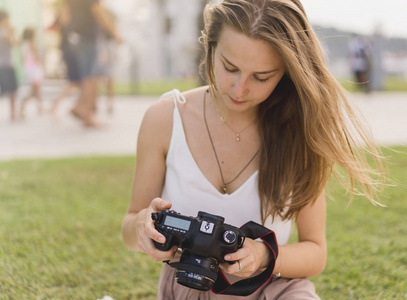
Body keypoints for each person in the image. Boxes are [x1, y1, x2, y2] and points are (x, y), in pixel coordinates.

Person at [121, 0, 386, 299]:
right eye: (229, 67)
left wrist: (265, 256)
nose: (239, 89)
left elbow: (316, 252)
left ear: (286, 72)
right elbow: (130, 225)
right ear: (210, 48)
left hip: (274, 288)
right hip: (190, 286)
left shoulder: (301, 130)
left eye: (261, 77)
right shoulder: (164, 118)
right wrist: (144, 228)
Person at [66, 0, 121, 127]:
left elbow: (67, 16)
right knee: (91, 77)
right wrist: (115, 33)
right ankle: (86, 114)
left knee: (88, 75)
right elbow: (98, 11)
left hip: (77, 37)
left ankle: (80, 106)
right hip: (88, 37)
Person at [48, 2, 81, 117]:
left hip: (71, 53)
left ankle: (78, 106)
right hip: (69, 53)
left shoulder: (70, 20)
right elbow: (50, 28)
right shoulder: (65, 21)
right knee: (74, 82)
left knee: (79, 83)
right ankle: (55, 106)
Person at [19, 27, 44, 120]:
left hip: (29, 68)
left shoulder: (24, 45)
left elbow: (22, 59)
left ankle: (40, 107)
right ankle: (23, 105)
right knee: (34, 90)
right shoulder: (32, 44)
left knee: (37, 89)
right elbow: (37, 56)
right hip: (34, 68)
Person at [0, 10, 18, 122]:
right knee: (10, 90)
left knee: (9, 90)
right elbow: (14, 43)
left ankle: (13, 113)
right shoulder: (3, 32)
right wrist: (11, 32)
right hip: (5, 65)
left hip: (5, 64)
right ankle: (13, 113)